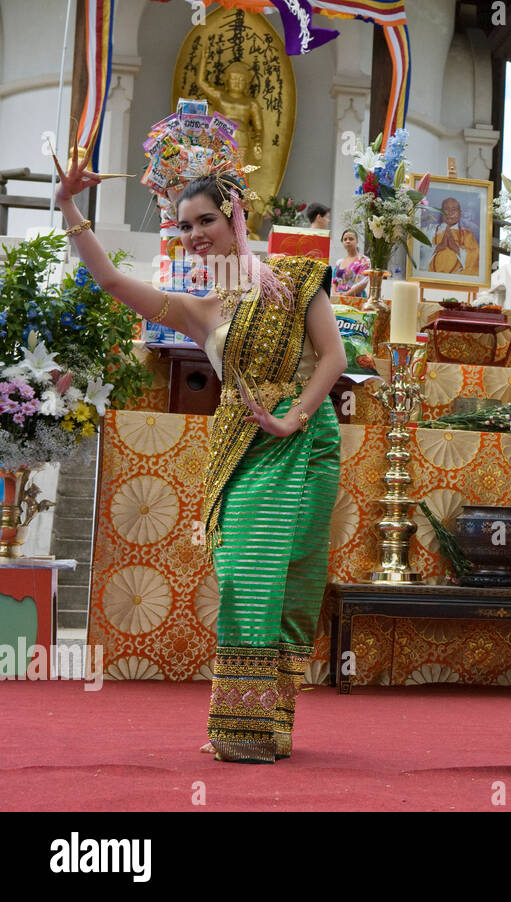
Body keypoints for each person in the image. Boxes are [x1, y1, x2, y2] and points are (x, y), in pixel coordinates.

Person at [54, 147, 346, 763]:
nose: (194, 235)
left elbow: (333, 360)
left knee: (290, 584)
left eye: (205, 220)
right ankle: (241, 724)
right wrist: (69, 207)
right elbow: (109, 280)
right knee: (243, 574)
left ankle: (268, 726)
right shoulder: (195, 309)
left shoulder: (293, 279)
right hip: (239, 449)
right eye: (184, 226)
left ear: (235, 216)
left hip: (305, 441)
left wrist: (292, 420)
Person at [430, 197, 479, 277]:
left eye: (454, 209)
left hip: (458, 280)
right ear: (441, 212)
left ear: (460, 213)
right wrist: (438, 247)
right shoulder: (430, 230)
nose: (450, 213)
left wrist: (456, 248)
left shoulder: (467, 234)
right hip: (430, 278)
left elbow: (475, 257)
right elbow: (420, 252)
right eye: (446, 209)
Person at [332, 227, 371, 298]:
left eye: (351, 239)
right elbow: (334, 281)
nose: (348, 241)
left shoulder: (364, 261)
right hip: (338, 298)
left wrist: (346, 295)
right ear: (342, 242)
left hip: (355, 299)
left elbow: (363, 282)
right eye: (345, 239)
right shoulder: (339, 262)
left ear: (357, 241)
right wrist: (335, 294)